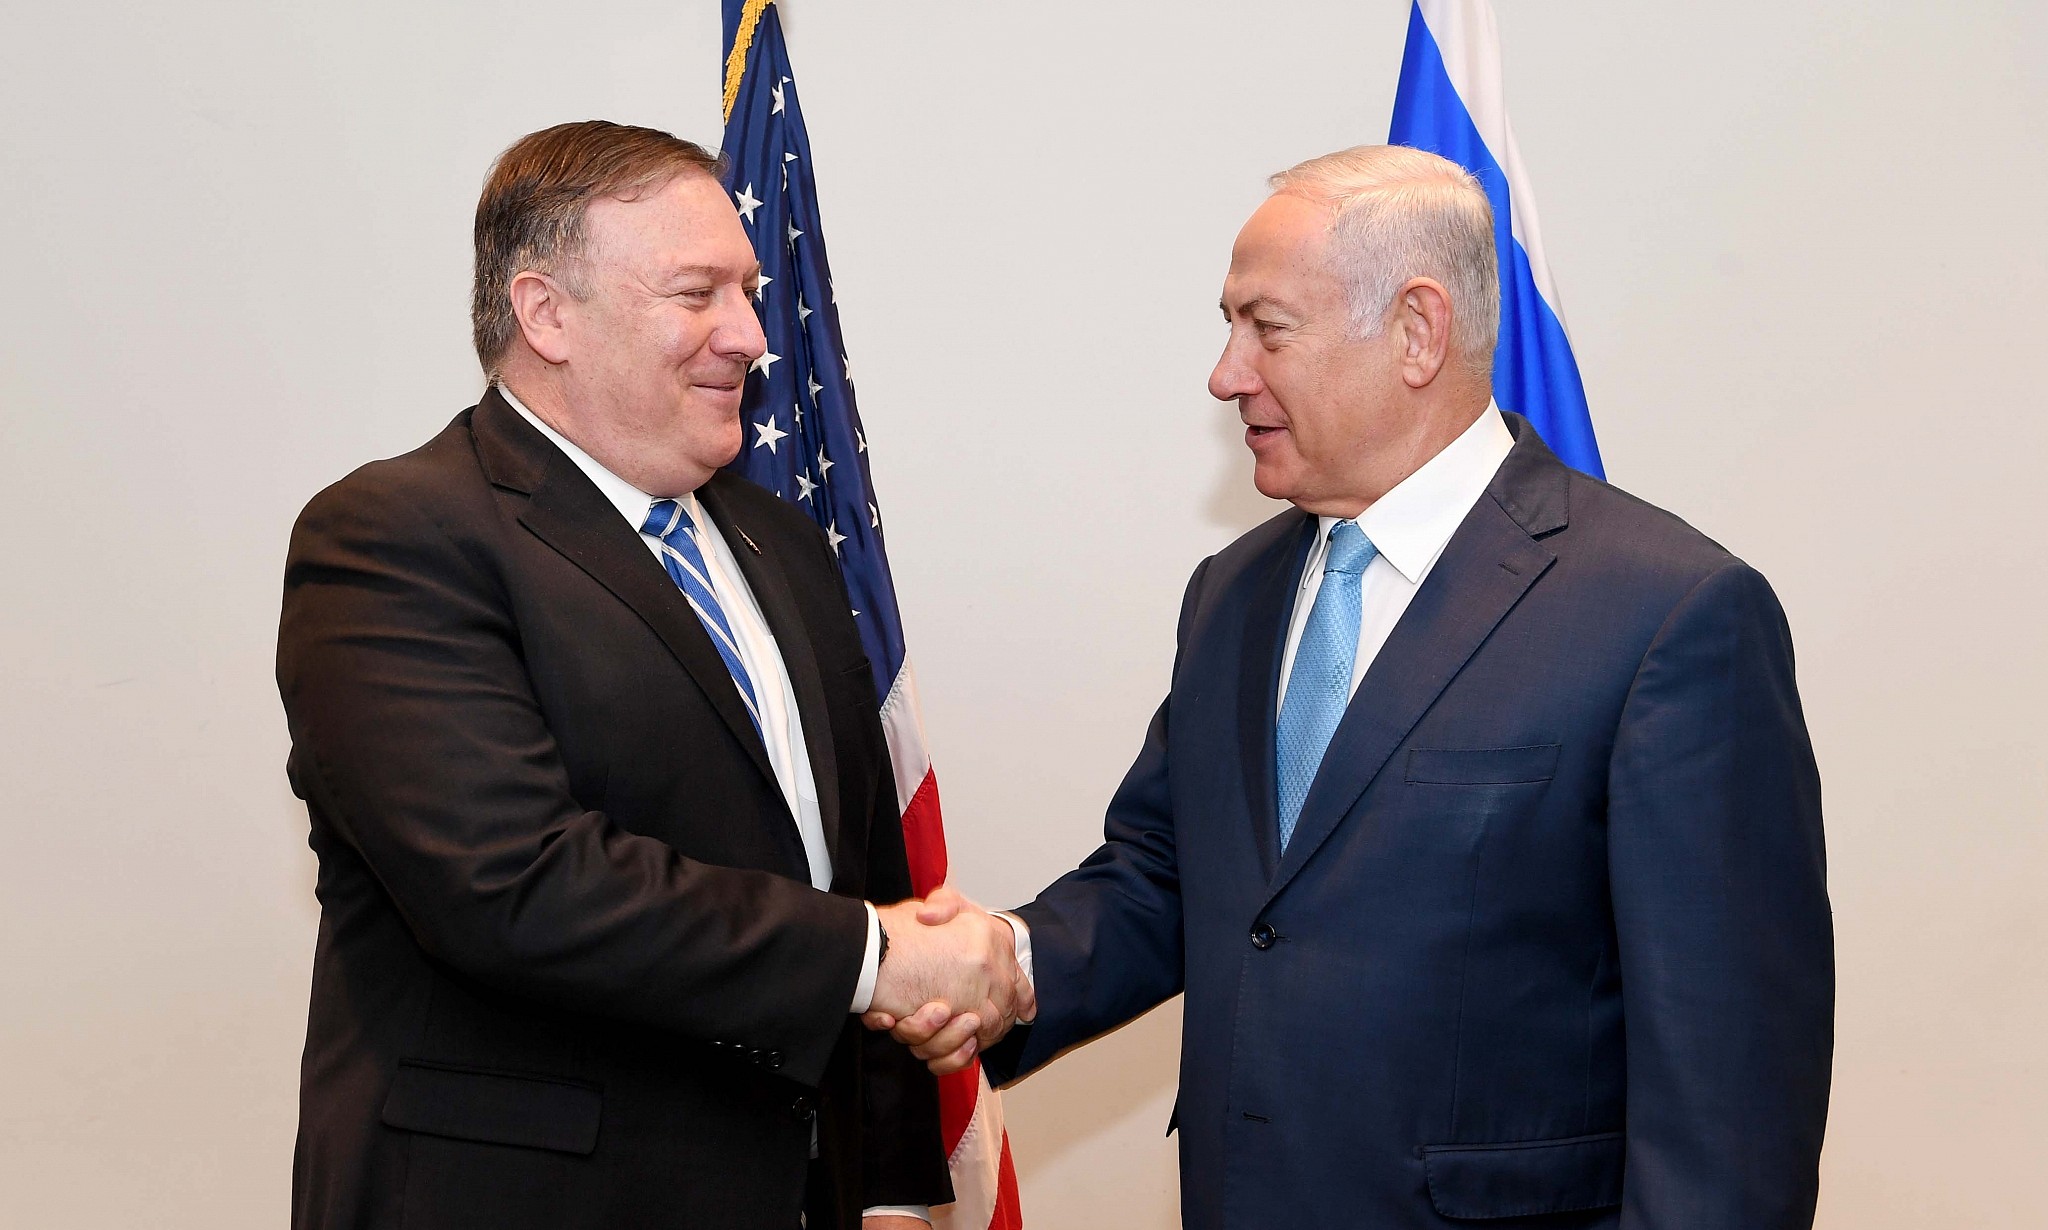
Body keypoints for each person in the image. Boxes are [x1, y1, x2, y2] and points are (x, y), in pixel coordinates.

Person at [876, 146, 1833, 1228]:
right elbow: (1172, 876)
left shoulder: (1665, 615)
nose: (1225, 373)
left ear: (1417, 331)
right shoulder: (1232, 594)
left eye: (1267, 328)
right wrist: (1009, 963)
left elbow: (1728, 1106)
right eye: (1228, 326)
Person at [276, 120, 1027, 1230]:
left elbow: (858, 872)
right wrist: (876, 961)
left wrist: (893, 1194)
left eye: (748, 291)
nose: (751, 336)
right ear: (546, 314)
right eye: (696, 294)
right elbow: (512, 883)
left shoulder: (781, 545)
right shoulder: (395, 538)